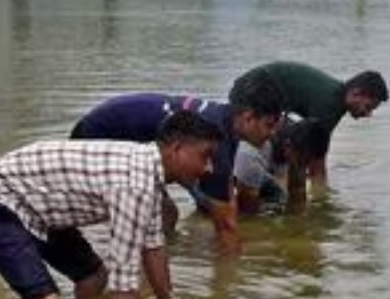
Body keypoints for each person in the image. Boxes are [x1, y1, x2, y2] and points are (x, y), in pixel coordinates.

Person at [0, 110, 223, 299]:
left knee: (94, 279)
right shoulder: (135, 186)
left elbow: (153, 246)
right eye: (205, 156)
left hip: (38, 205)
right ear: (176, 150)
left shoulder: (149, 173)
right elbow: (125, 279)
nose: (209, 168)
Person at [70, 75, 283, 247]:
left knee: (167, 215)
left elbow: (226, 198)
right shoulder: (216, 142)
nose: (273, 133)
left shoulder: (224, 122)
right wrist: (234, 280)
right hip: (96, 140)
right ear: (247, 118)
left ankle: (159, 270)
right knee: (155, 218)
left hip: (118, 130)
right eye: (269, 125)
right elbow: (226, 225)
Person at [229, 61, 389, 183]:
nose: (368, 114)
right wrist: (325, 202)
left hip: (255, 91)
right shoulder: (329, 105)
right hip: (250, 94)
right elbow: (317, 165)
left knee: (294, 145)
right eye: (368, 107)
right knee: (290, 148)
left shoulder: (335, 96)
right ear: (356, 93)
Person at [235, 118, 330, 214]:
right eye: (303, 161)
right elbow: (247, 208)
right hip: (234, 165)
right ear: (288, 146)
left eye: (307, 163)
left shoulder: (300, 140)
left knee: (279, 196)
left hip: (262, 168)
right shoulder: (253, 152)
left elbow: (297, 194)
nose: (305, 168)